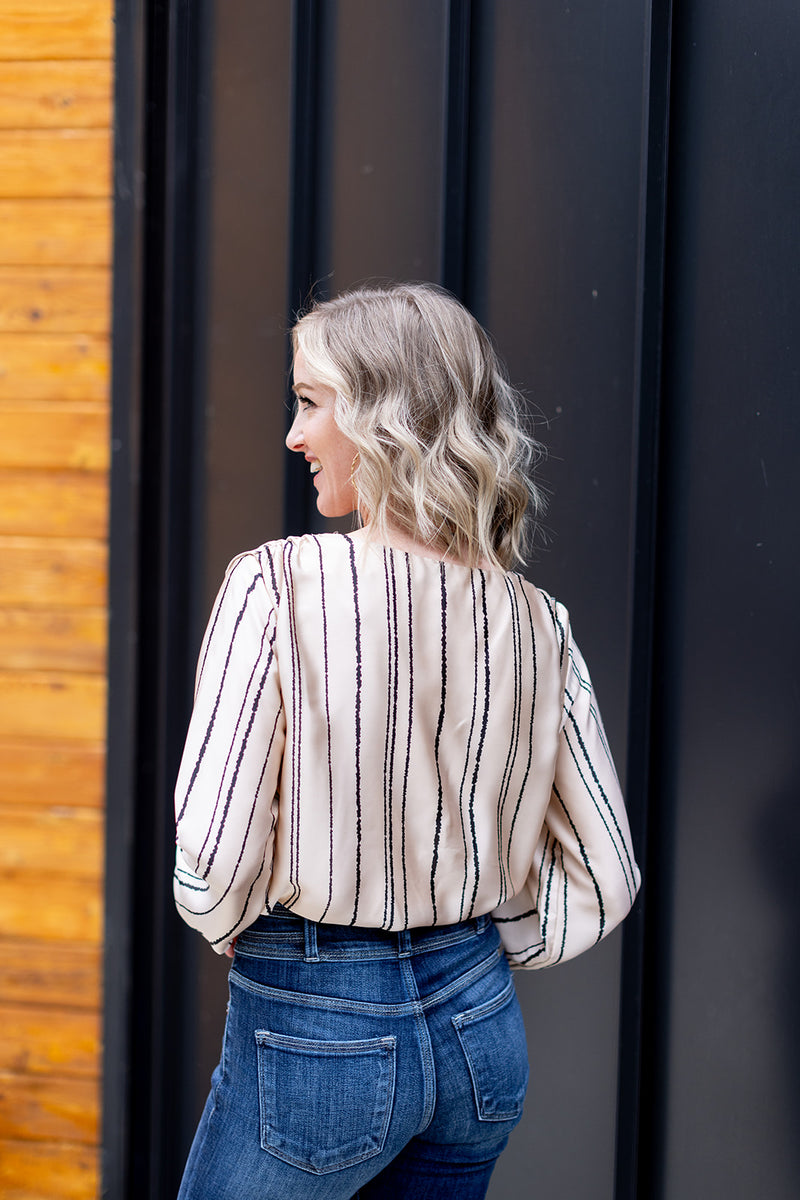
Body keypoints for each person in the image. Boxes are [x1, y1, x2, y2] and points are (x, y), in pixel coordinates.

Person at [173, 282, 640, 1199]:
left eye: (311, 402)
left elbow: (213, 853)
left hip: (314, 1030)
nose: (294, 436)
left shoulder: (278, 584)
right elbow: (604, 869)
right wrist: (475, 945)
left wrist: (225, 918)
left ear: (385, 417)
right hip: (481, 1039)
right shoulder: (538, 621)